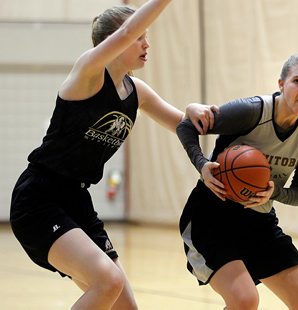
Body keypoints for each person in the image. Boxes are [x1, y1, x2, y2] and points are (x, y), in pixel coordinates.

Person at [9, 1, 217, 309]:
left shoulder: (137, 92)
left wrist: (200, 115)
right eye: (139, 37)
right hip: (39, 199)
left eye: (146, 36)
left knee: (125, 306)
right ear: (114, 41)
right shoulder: (88, 73)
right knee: (109, 280)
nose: (146, 43)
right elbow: (128, 30)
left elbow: (185, 127)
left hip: (77, 201)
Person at [176, 52, 298, 309]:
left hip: (259, 221)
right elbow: (186, 126)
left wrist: (272, 192)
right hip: (212, 217)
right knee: (245, 299)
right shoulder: (251, 111)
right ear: (281, 84)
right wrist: (202, 165)